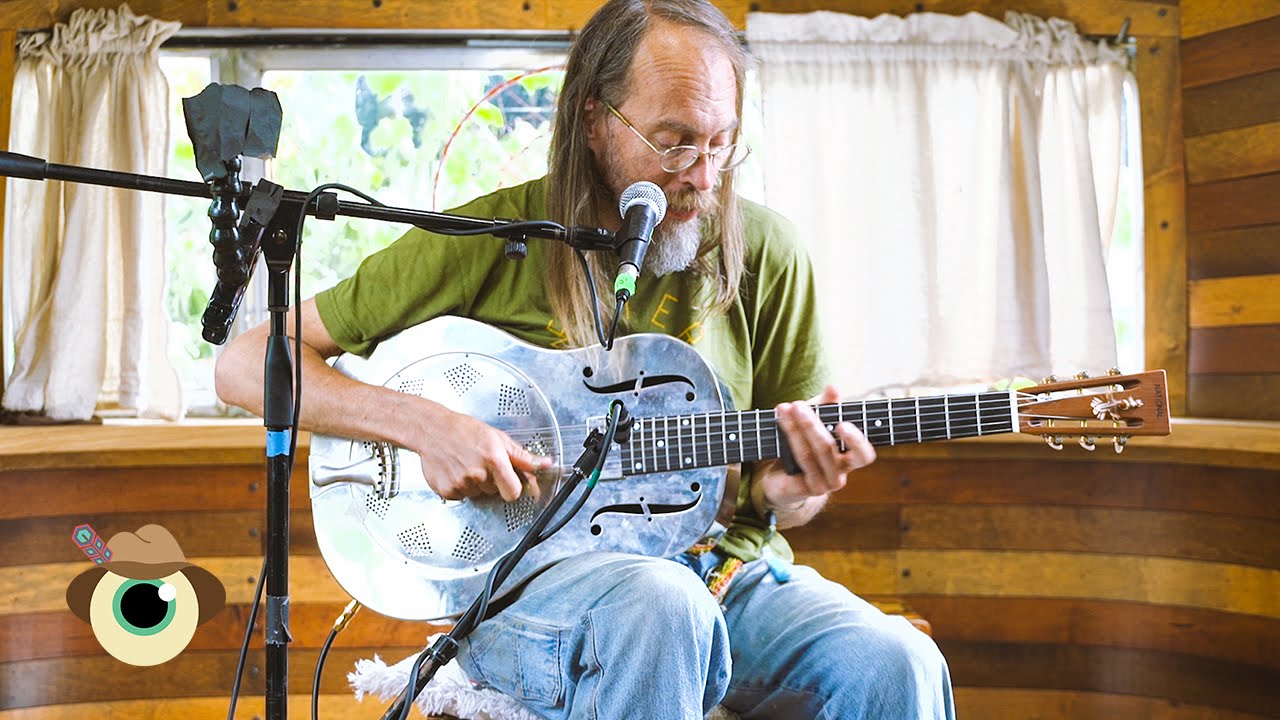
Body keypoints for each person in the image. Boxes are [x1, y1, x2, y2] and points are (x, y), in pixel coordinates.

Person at [216, 1, 955, 717]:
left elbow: (785, 498)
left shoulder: (769, 253)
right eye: (673, 142)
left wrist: (798, 488)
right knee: (662, 609)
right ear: (595, 121)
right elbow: (246, 364)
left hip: (724, 573)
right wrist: (422, 425)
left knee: (898, 662)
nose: (703, 175)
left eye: (722, 141)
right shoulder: (486, 238)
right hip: (532, 589)